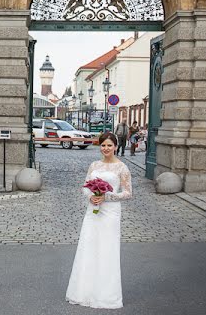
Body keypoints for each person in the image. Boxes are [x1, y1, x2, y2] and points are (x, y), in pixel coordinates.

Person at [66, 131, 133, 309]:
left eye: (109, 145)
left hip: (110, 213)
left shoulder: (122, 168)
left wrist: (107, 197)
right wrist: (91, 197)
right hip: (93, 210)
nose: (106, 148)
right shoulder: (94, 165)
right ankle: (84, 291)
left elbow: (128, 193)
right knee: (89, 247)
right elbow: (85, 186)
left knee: (107, 250)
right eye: (103, 145)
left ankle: (105, 295)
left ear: (116, 147)